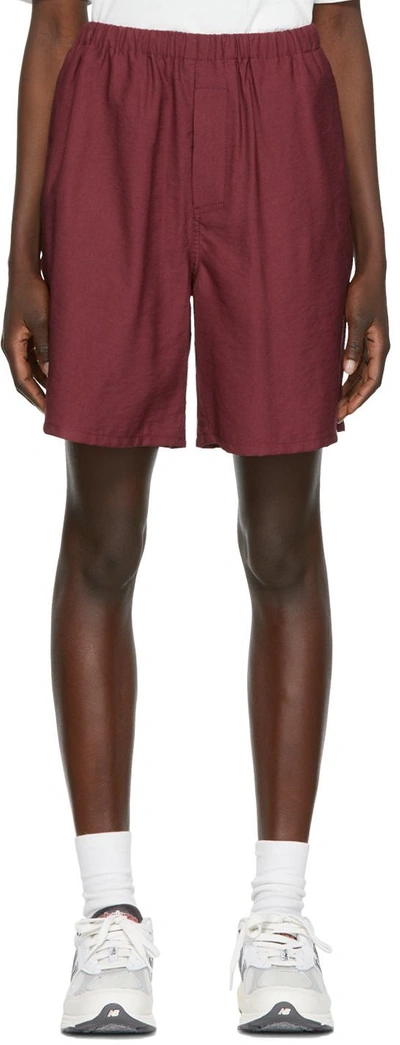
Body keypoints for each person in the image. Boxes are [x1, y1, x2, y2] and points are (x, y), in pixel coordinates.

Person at [2, 0, 389, 1035]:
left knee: (283, 538)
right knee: (102, 534)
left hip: (283, 105)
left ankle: (279, 917)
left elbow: (341, 23)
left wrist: (374, 254)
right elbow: (52, 24)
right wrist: (20, 253)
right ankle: (107, 913)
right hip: (112, 107)